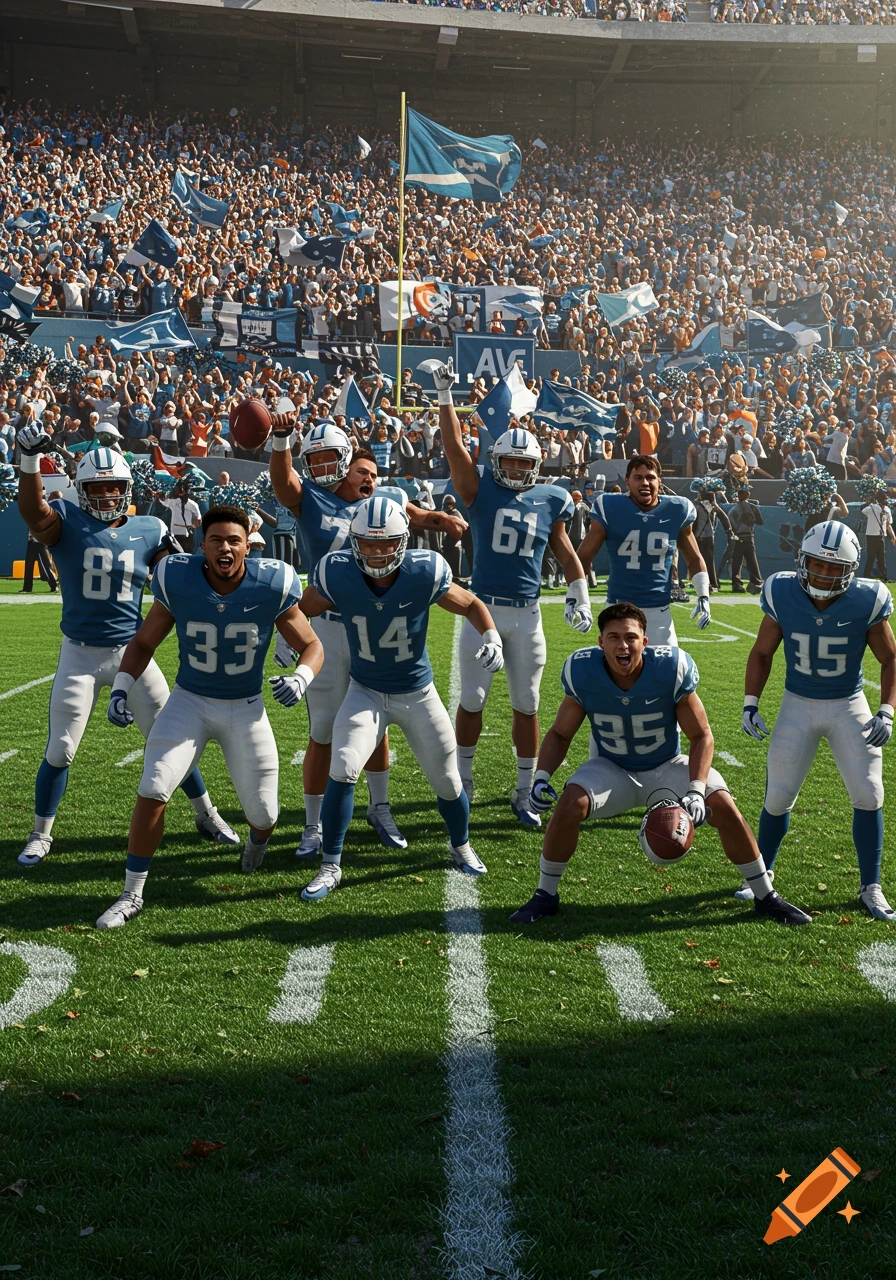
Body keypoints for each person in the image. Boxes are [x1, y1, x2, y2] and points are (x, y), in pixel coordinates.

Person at [14, 427, 236, 867]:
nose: (108, 495)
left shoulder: (150, 527)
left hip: (132, 653)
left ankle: (206, 815)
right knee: (60, 748)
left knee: (169, 739)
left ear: (128, 488)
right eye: (98, 488)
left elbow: (178, 575)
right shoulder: (66, 520)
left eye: (115, 486)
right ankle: (41, 833)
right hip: (79, 653)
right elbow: (33, 512)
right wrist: (28, 462)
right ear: (81, 490)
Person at [509, 603, 809, 927]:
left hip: (666, 766)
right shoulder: (582, 672)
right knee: (569, 805)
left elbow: (702, 736)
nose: (623, 645)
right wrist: (541, 777)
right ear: (600, 642)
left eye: (630, 637)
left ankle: (765, 894)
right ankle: (545, 895)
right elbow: (559, 733)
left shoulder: (670, 668)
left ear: (645, 641)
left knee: (721, 804)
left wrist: (695, 790)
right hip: (613, 770)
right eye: (614, 637)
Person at [95, 505, 324, 928]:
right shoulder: (177, 578)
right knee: (154, 785)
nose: (225, 547)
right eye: (216, 539)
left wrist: (302, 678)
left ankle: (256, 842)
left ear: (248, 545)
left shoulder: (272, 582)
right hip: (189, 702)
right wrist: (122, 687)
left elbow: (312, 645)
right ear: (202, 545)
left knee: (265, 816)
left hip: (246, 708)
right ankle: (131, 893)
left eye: (233, 540)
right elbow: (144, 641)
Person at [269, 416, 467, 858]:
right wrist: (281, 440)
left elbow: (418, 516)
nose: (371, 479)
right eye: (364, 472)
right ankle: (314, 824)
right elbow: (284, 484)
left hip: (376, 628)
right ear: (347, 466)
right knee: (323, 729)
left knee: (377, 722)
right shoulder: (314, 498)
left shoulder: (385, 500)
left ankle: (380, 807)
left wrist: (448, 521)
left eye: (376, 474)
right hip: (328, 627)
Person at [296, 496, 503, 900]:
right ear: (354, 542)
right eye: (368, 544)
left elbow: (472, 604)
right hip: (365, 690)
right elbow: (302, 609)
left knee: (447, 780)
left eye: (385, 543)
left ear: (404, 541)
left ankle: (460, 844)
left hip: (417, 693)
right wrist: (293, 644)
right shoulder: (337, 572)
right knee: (342, 767)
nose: (376, 553)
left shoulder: (424, 572)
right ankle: (331, 865)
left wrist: (492, 636)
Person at [432, 360, 592, 826]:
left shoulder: (551, 499)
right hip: (482, 611)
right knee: (473, 701)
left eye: (525, 464)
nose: (518, 471)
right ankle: (462, 779)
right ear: (496, 461)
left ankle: (525, 790)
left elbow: (565, 553)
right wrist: (445, 399)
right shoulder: (478, 489)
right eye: (510, 462)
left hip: (528, 614)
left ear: (538, 465)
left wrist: (578, 594)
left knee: (528, 704)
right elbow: (454, 447)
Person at [741, 522, 896, 921]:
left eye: (833, 568)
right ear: (801, 561)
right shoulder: (781, 590)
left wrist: (887, 710)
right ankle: (759, 877)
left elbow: (891, 658)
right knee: (777, 796)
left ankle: (870, 886)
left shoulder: (868, 598)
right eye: (816, 564)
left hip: (848, 704)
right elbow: (762, 652)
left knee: (868, 792)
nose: (823, 574)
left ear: (851, 569)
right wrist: (750, 703)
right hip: (797, 703)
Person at [577, 455, 712, 646]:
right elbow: (583, 556)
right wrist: (580, 598)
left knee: (667, 670)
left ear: (659, 481)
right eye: (638, 477)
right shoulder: (610, 506)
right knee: (621, 670)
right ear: (627, 481)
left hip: (660, 610)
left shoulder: (677, 509)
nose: (645, 482)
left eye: (650, 477)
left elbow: (694, 558)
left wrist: (703, 595)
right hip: (619, 609)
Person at [690, 481, 732, 593]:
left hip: (698, 537)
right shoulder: (713, 506)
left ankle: (701, 583)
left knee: (698, 561)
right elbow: (724, 518)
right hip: (710, 537)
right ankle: (713, 583)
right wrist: (729, 531)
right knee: (709, 561)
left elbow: (693, 521)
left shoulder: (697, 506)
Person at [729, 486, 764, 594]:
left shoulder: (733, 509)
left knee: (737, 561)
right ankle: (756, 581)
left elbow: (730, 525)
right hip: (749, 536)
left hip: (738, 537)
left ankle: (736, 583)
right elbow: (760, 521)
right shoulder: (753, 507)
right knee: (752, 560)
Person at [862, 489, 896, 582]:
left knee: (873, 559)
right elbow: (889, 525)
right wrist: (893, 537)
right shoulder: (883, 509)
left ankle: (868, 577)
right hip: (877, 537)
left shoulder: (872, 508)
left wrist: (869, 502)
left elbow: (863, 510)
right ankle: (884, 578)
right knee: (878, 559)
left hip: (873, 536)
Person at [160, 481, 202, 553]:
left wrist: (194, 525)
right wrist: (161, 496)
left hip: (187, 536)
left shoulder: (192, 505)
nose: (181, 491)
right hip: (175, 535)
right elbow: (165, 501)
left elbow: (198, 520)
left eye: (183, 489)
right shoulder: (174, 502)